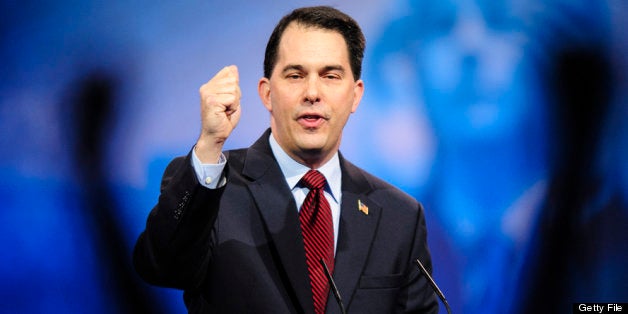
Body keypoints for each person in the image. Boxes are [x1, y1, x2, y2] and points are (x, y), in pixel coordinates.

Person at [133, 6, 438, 313]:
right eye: (295, 75)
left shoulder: (400, 215)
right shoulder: (212, 188)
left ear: (355, 95)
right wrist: (210, 144)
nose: (312, 93)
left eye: (330, 76)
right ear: (266, 93)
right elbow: (162, 267)